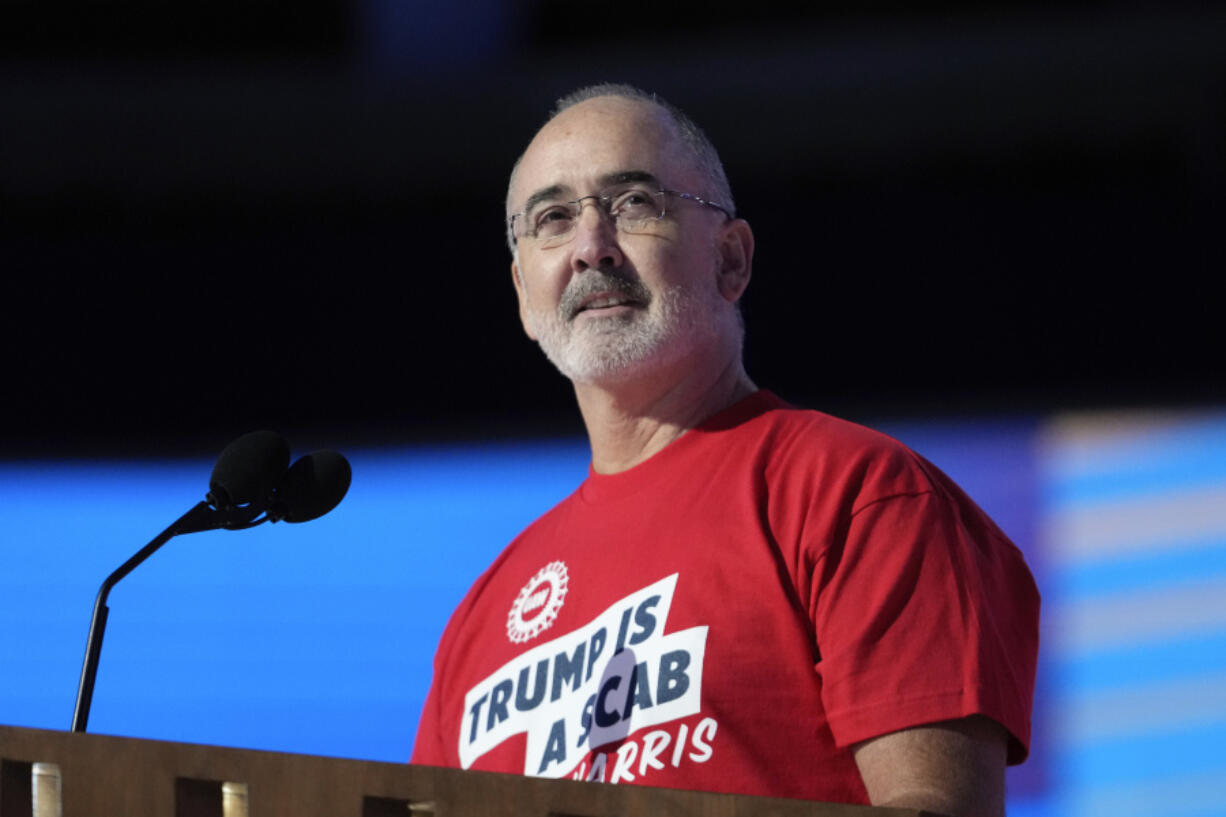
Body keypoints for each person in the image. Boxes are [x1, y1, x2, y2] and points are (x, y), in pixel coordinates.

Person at [411, 84, 1039, 817]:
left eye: (634, 203)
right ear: (524, 294)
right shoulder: (480, 617)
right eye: (552, 219)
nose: (591, 247)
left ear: (730, 261)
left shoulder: (857, 493)